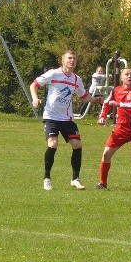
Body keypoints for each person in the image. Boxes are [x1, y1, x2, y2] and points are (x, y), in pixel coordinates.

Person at [30, 50, 103, 191]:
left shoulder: (76, 79)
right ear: (63, 60)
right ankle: (47, 178)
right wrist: (35, 98)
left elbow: (83, 96)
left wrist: (95, 100)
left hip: (67, 118)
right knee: (53, 144)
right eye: (69, 58)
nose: (72, 60)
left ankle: (75, 179)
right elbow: (34, 85)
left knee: (77, 145)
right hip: (51, 117)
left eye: (74, 58)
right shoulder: (53, 74)